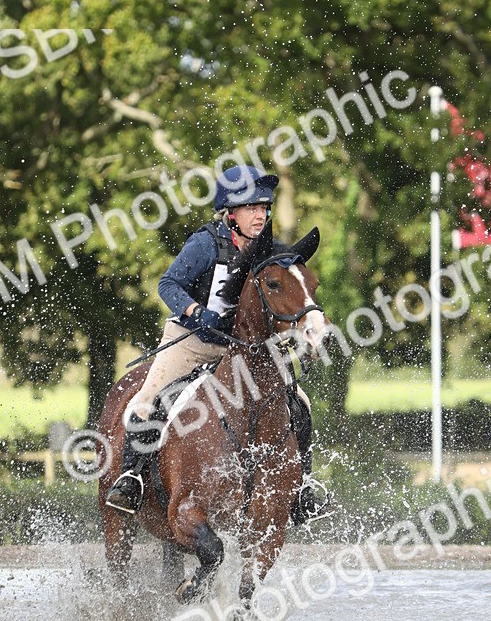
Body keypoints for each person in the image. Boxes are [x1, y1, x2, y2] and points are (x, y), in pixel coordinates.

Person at [104, 164, 329, 522]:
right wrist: (195, 311)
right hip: (192, 340)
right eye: (252, 208)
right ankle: (132, 479)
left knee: (300, 403)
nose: (260, 215)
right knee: (148, 400)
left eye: (264, 207)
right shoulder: (206, 244)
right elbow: (168, 284)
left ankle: (302, 488)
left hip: (242, 349)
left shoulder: (268, 249)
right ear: (231, 213)